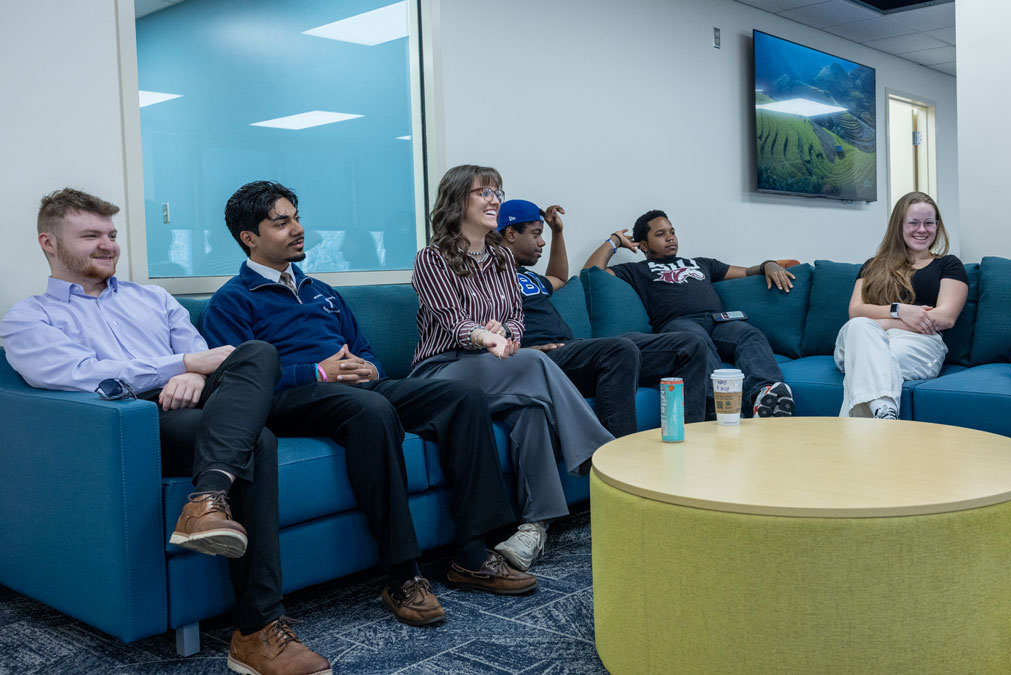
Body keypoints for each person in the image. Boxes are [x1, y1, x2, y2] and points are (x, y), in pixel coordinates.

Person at [0, 188, 331, 675]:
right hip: (135, 422)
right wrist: (180, 366)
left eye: (111, 234)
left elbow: (209, 357)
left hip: (200, 405)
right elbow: (82, 374)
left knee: (257, 351)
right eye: (90, 236)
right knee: (257, 441)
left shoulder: (153, 298)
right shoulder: (29, 317)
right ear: (48, 243)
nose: (108, 245)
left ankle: (207, 500)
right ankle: (257, 630)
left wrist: (193, 372)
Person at [203, 181, 537, 629]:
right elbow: (239, 381)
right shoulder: (231, 300)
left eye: (297, 218)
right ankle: (402, 574)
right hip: (291, 399)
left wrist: (368, 368)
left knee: (462, 398)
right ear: (249, 237)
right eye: (282, 223)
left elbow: (365, 350)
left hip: (353, 390)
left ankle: (472, 553)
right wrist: (318, 373)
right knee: (372, 411)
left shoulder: (321, 290)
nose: (298, 229)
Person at [409, 166, 614, 572]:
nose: (494, 200)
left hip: (494, 365)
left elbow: (516, 318)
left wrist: (507, 333)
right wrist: (486, 338)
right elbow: (453, 322)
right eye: (483, 192)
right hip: (441, 369)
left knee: (532, 411)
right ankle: (602, 458)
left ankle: (534, 528)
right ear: (457, 201)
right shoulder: (431, 259)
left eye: (497, 192)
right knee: (536, 361)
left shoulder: (502, 257)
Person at [495, 198, 708, 436]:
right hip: (544, 356)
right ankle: (616, 455)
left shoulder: (529, 277)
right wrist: (525, 352)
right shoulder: (485, 279)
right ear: (511, 234)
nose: (541, 241)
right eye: (536, 234)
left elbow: (558, 277)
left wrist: (558, 232)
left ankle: (691, 441)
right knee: (619, 349)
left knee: (690, 345)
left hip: (572, 349)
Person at [584, 209, 795, 418]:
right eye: (660, 234)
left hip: (719, 322)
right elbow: (591, 272)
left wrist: (768, 264)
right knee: (697, 343)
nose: (670, 238)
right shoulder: (637, 270)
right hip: (679, 325)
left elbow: (747, 272)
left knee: (750, 334)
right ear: (644, 245)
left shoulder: (701, 263)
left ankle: (765, 396)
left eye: (672, 232)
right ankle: (717, 409)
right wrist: (614, 241)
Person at [835, 192, 968, 419]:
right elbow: (855, 312)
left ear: (937, 226)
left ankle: (882, 413)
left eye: (929, 223)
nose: (922, 229)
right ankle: (884, 414)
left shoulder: (948, 264)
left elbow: (945, 318)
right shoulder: (872, 265)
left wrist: (879, 322)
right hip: (863, 337)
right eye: (913, 222)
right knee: (859, 328)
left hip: (918, 344)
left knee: (866, 363)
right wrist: (900, 311)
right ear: (899, 225)